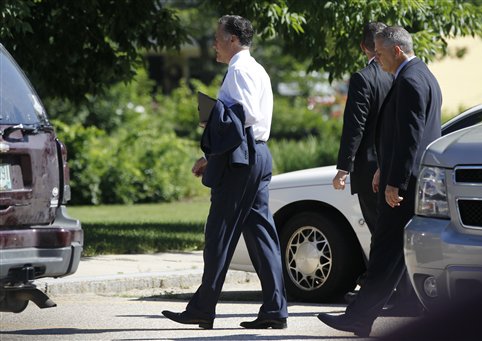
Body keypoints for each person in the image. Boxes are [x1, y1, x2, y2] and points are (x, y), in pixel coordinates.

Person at [161, 15, 288, 330]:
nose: (213, 44)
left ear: (233, 39)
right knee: (261, 236)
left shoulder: (239, 70)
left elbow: (245, 116)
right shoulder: (255, 69)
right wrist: (212, 154)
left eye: (217, 38)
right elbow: (244, 121)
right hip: (254, 155)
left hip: (242, 160)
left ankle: (203, 308)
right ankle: (274, 310)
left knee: (219, 233)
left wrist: (212, 120)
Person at [318, 26, 442, 337]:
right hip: (409, 178)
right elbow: (401, 134)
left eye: (381, 52)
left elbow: (411, 139)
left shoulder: (410, 80)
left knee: (385, 250)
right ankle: (384, 313)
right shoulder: (425, 75)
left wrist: (394, 182)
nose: (377, 57)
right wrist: (382, 168)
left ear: (397, 51)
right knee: (393, 252)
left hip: (405, 183)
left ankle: (359, 318)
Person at [332, 22, 392, 300]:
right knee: (390, 231)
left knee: (379, 233)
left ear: (362, 46)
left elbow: (354, 127)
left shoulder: (363, 78)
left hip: (369, 167)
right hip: (394, 164)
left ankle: (380, 290)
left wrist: (343, 168)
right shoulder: (398, 75)